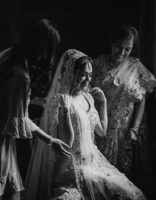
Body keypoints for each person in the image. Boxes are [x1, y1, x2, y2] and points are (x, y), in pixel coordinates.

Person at [0, 19, 71, 200]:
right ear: (43, 48)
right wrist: (50, 140)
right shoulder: (21, 76)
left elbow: (3, 92)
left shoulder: (8, 54)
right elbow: (21, 121)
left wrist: (30, 101)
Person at [23, 49, 146, 200]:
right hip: (71, 166)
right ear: (70, 74)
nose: (88, 79)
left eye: (90, 74)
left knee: (134, 194)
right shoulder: (61, 101)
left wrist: (102, 104)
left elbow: (101, 131)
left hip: (94, 162)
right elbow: (66, 144)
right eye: (83, 74)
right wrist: (66, 112)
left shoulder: (88, 97)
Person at [92, 25, 156, 178]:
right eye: (118, 47)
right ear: (111, 43)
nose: (122, 52)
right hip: (99, 127)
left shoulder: (136, 67)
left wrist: (134, 129)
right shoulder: (97, 64)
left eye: (127, 49)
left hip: (124, 133)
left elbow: (141, 100)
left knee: (122, 176)